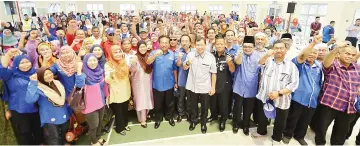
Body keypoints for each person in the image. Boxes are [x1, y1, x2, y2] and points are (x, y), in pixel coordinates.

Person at [251, 40, 299, 145]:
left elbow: (293, 84)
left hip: (282, 99)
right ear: (273, 49)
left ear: (286, 50)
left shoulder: (291, 66)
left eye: (281, 48)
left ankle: (276, 138)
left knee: (280, 121)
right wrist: (266, 55)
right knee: (262, 117)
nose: (279, 50)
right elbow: (260, 62)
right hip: (265, 97)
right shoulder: (268, 61)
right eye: (276, 48)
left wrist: (279, 93)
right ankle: (261, 131)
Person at [315, 42, 360, 145]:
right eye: (347, 54)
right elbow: (326, 62)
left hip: (348, 106)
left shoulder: (357, 68)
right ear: (339, 54)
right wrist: (337, 49)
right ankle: (320, 143)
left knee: (341, 133)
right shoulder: (333, 64)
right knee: (322, 128)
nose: (350, 57)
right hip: (330, 103)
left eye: (353, 55)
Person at [282, 35, 323, 145]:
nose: (312, 54)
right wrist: (313, 43)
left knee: (306, 119)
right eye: (310, 52)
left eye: (315, 52)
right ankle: (287, 134)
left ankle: (300, 136)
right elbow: (302, 56)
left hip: (312, 100)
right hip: (298, 98)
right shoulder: (298, 64)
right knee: (293, 117)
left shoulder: (319, 66)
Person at [0, 53, 43, 145]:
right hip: (18, 109)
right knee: (24, 133)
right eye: (22, 63)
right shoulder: (10, 75)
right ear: (16, 64)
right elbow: (2, 70)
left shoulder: (34, 72)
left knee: (37, 130)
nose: (25, 65)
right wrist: (8, 55)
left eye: (27, 62)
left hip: (35, 108)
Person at [26, 67, 70, 145]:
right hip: (49, 118)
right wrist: (33, 83)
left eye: (50, 73)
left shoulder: (57, 83)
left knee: (64, 135)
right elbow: (30, 100)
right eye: (45, 75)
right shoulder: (38, 88)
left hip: (63, 114)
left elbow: (64, 98)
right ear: (40, 77)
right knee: (54, 138)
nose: (49, 75)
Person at [183, 37, 217, 134]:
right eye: (198, 45)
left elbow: (213, 73)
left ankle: (203, 123)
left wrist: (213, 87)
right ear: (194, 45)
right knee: (193, 105)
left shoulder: (210, 57)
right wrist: (189, 62)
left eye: (202, 45)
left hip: (205, 87)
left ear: (205, 45)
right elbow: (185, 67)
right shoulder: (190, 54)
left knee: (204, 107)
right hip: (192, 86)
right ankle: (193, 121)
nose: (200, 47)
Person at [146, 35, 177, 129]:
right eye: (162, 42)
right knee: (158, 104)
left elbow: (175, 69)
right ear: (159, 43)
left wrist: (176, 82)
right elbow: (148, 62)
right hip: (157, 84)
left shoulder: (172, 54)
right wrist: (155, 55)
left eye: (166, 42)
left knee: (169, 103)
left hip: (170, 83)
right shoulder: (154, 53)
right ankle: (158, 119)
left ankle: (169, 117)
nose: (164, 44)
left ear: (169, 44)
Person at [232, 36, 261, 135]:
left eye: (249, 47)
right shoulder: (239, 54)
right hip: (239, 87)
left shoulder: (258, 56)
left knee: (248, 109)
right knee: (237, 108)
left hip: (251, 87)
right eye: (245, 47)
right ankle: (235, 124)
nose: (247, 49)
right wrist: (240, 55)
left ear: (254, 46)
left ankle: (245, 125)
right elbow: (237, 62)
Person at [76, 54, 107, 145]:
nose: (93, 62)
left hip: (101, 102)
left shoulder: (100, 72)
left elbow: (104, 87)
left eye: (94, 60)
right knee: (94, 125)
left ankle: (98, 137)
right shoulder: (83, 75)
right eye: (90, 61)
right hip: (89, 105)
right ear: (85, 62)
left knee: (100, 122)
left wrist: (107, 96)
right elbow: (79, 85)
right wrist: (78, 70)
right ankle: (93, 141)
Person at [209, 35, 235, 132]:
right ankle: (213, 116)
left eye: (221, 44)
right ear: (215, 45)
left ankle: (223, 120)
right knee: (213, 102)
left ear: (224, 44)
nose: (219, 45)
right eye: (217, 44)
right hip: (213, 83)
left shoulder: (229, 56)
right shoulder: (211, 56)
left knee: (223, 103)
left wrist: (230, 63)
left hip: (225, 84)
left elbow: (232, 70)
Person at [104, 45, 131, 135]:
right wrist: (111, 75)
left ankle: (125, 124)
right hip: (116, 91)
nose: (118, 54)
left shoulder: (124, 62)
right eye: (115, 52)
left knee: (124, 109)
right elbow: (107, 79)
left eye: (119, 51)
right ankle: (120, 128)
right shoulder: (108, 64)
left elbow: (128, 74)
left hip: (125, 89)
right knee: (118, 111)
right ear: (111, 54)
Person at [130, 41, 154, 128]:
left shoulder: (149, 56)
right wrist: (133, 63)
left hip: (148, 82)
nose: (143, 48)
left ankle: (146, 114)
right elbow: (132, 71)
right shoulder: (135, 57)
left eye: (144, 46)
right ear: (137, 48)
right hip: (138, 82)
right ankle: (142, 119)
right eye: (141, 47)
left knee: (148, 98)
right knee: (140, 100)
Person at [174, 34, 193, 122]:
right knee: (181, 98)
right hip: (182, 79)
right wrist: (179, 58)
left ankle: (189, 113)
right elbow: (178, 65)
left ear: (190, 42)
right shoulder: (178, 52)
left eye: (186, 41)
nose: (184, 43)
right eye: (182, 41)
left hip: (192, 80)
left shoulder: (194, 52)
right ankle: (181, 113)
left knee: (190, 98)